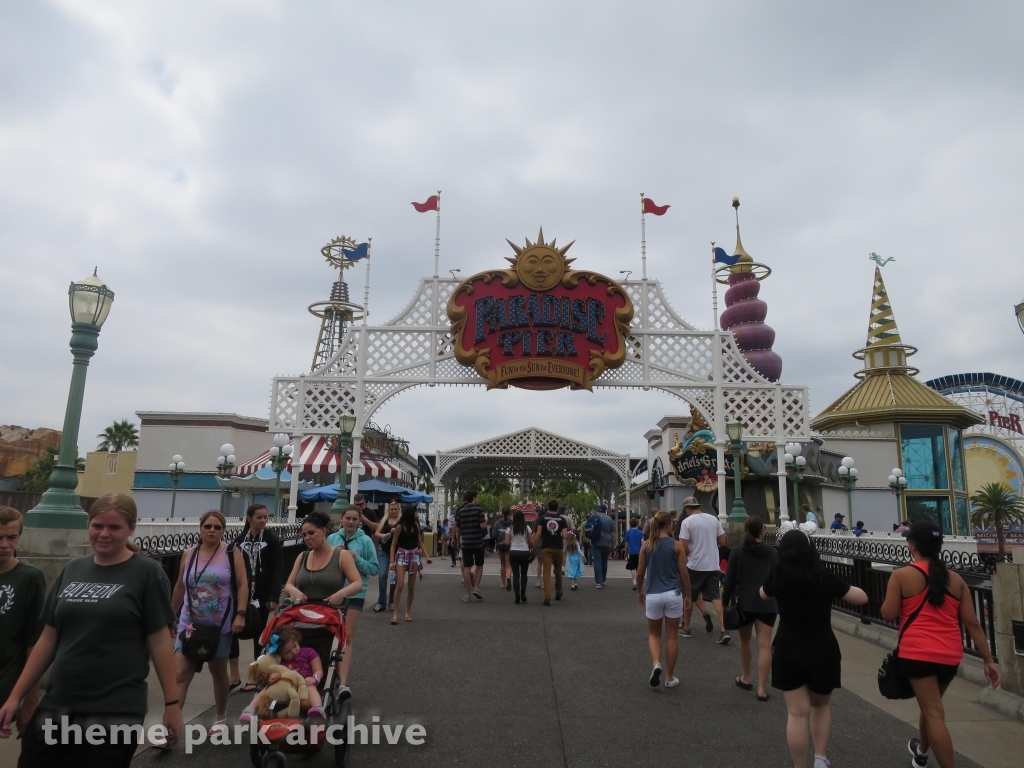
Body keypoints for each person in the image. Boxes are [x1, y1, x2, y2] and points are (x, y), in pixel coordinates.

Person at [0, 493, 182, 763]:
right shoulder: (73, 569)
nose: (104, 534)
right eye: (97, 526)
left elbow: (160, 642)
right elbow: (48, 639)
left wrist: (171, 704)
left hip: (114, 709)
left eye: (114, 527)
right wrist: (16, 696)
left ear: (131, 528)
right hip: (58, 703)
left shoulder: (146, 572)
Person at [880, 522, 1000, 768]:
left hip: (917, 654)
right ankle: (922, 752)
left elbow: (889, 614)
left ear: (912, 546)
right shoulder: (956, 580)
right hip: (950, 656)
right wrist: (989, 660)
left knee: (934, 712)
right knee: (931, 706)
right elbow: (973, 623)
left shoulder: (902, 575)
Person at [761, 529, 868, 768]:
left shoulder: (778, 576)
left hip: (788, 647)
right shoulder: (823, 576)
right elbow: (860, 598)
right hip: (822, 647)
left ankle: (800, 766)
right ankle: (820, 758)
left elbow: (763, 594)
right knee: (820, 705)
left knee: (797, 713)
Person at [171, 510, 248, 736]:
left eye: (217, 527)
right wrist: (169, 615)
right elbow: (179, 586)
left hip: (219, 625)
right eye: (208, 526)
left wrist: (240, 614)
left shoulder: (232, 553)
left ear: (223, 530)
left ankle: (220, 717)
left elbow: (243, 584)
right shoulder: (189, 554)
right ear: (200, 528)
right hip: (189, 623)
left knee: (218, 673)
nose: (212, 530)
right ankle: (172, 727)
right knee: (180, 674)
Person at [282, 511, 363, 700]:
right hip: (303, 617)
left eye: (311, 533)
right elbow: (288, 584)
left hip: (329, 616)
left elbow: (356, 583)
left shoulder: (341, 556)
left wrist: (340, 594)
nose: (307, 538)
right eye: (304, 535)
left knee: (337, 646)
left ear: (324, 531)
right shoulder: (302, 556)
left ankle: (341, 683)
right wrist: (293, 591)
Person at [0, 507, 46, 741]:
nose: (5, 544)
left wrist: (29, 703)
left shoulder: (29, 578)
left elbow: (34, 644)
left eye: (11, 537)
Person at [723, 516, 777, 702]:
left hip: (744, 602)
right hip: (767, 603)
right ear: (762, 531)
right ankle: (762, 688)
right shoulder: (771, 552)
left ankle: (746, 677)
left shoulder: (737, 551)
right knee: (764, 645)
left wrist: (724, 600)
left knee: (744, 639)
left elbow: (729, 579)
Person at [635, 510, 692, 689]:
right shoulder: (677, 546)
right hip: (673, 594)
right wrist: (688, 595)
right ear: (668, 525)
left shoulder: (646, 545)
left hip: (653, 594)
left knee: (654, 634)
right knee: (672, 636)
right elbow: (684, 573)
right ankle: (669, 677)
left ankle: (656, 663)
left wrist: (639, 590)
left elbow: (640, 572)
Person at [232, 503, 284, 692]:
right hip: (241, 595)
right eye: (259, 517)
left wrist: (274, 595)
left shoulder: (271, 540)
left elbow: (278, 568)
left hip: (262, 595)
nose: (263, 520)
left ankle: (256, 676)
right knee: (233, 633)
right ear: (249, 518)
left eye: (265, 517)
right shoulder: (239, 541)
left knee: (259, 636)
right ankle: (234, 675)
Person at [328, 504, 380, 690]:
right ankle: (328, 674)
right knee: (331, 634)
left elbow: (374, 569)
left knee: (347, 635)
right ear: (341, 519)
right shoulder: (332, 538)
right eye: (347, 518)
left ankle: (343, 681)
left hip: (355, 593)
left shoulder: (365, 541)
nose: (350, 522)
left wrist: (355, 558)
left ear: (359, 522)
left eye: (354, 519)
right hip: (332, 592)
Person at [239, 626, 324, 723]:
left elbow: (318, 670)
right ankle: (249, 710)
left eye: (295, 646)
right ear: (280, 654)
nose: (293, 651)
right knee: (266, 689)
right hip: (285, 689)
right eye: (288, 652)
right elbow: (270, 670)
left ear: (297, 640)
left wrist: (314, 678)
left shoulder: (309, 652)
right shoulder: (279, 661)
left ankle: (318, 708)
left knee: (311, 687)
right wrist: (269, 677)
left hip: (304, 685)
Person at [677, 497, 729, 643]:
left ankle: (687, 627)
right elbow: (722, 541)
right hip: (713, 564)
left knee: (688, 596)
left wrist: (683, 560)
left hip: (695, 565)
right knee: (715, 596)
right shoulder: (713, 519)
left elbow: (684, 546)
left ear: (687, 508)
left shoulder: (687, 522)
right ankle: (724, 628)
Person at [389, 504, 432, 623]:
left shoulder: (416, 525)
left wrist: (427, 556)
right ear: (410, 513)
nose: (416, 514)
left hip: (414, 554)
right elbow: (393, 544)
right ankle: (395, 613)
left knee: (411, 586)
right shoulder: (399, 527)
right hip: (402, 554)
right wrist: (392, 561)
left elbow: (420, 542)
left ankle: (407, 611)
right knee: (400, 584)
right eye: (415, 512)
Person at [532, 500, 569, 606]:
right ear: (557, 508)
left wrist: (533, 544)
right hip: (558, 548)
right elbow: (565, 535)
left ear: (548, 507)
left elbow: (538, 533)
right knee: (558, 571)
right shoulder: (562, 519)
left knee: (546, 571)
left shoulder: (542, 518)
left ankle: (547, 596)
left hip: (546, 548)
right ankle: (558, 592)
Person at [456, 490, 486, 602]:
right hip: (477, 542)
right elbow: (483, 526)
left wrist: (458, 541)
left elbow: (458, 528)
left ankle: (467, 594)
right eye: (477, 497)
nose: (477, 499)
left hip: (466, 543)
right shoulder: (479, 509)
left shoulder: (461, 511)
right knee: (479, 564)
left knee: (467, 567)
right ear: (473, 498)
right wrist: (484, 522)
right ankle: (476, 587)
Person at [373, 500, 401, 612]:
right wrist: (383, 535)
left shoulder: (400, 521)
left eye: (395, 509)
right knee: (382, 575)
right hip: (384, 551)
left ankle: (392, 601)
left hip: (397, 552)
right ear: (388, 510)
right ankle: (381, 602)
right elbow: (376, 533)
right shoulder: (384, 520)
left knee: (394, 578)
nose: (393, 511)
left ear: (398, 510)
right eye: (392, 509)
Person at [505, 510, 533, 604]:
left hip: (513, 552)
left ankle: (517, 597)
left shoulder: (510, 528)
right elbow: (531, 541)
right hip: (525, 552)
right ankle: (523, 594)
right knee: (524, 574)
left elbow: (507, 542)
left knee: (516, 575)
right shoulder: (527, 528)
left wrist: (513, 542)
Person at [592, 503, 615, 589]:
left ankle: (598, 582)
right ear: (606, 510)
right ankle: (603, 579)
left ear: (598, 510)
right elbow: (613, 534)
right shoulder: (609, 519)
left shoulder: (594, 518)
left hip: (596, 542)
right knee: (604, 562)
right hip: (606, 543)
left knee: (597, 562)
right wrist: (613, 545)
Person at [493, 508, 513, 591]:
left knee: (502, 564)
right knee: (508, 564)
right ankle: (508, 577)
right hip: (509, 544)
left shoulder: (497, 523)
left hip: (500, 544)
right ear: (509, 513)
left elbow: (494, 535)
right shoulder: (512, 522)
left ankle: (503, 583)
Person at [624, 517, 644, 590]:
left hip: (631, 552)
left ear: (630, 524)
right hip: (639, 552)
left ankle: (634, 582)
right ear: (637, 524)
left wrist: (626, 551)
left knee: (632, 568)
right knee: (639, 567)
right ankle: (639, 583)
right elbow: (642, 542)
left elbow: (626, 543)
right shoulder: (640, 532)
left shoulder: (628, 532)